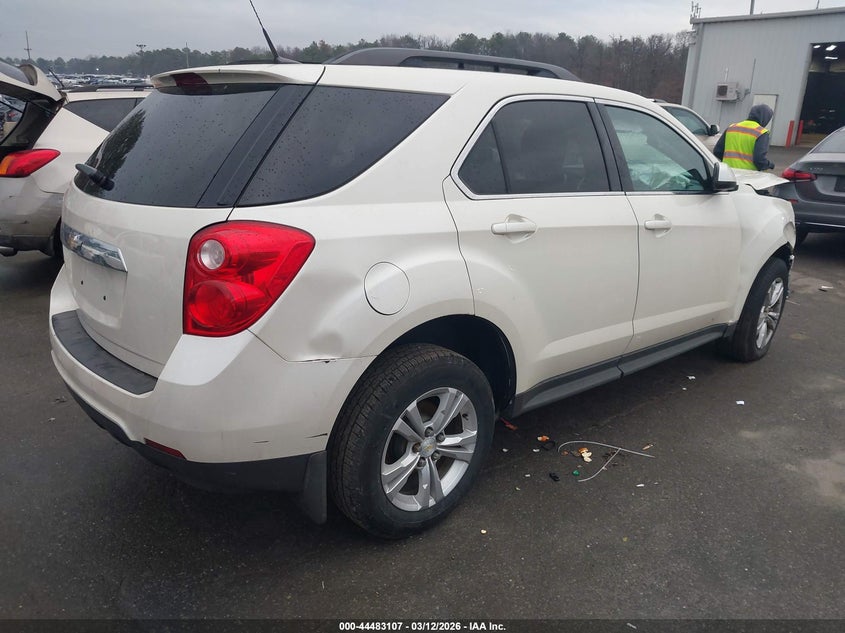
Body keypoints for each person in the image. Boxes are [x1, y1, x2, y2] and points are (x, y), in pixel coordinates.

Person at [713, 104, 776, 170]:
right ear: (765, 118)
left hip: (728, 172)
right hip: (748, 174)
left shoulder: (731, 128)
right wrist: (769, 165)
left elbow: (717, 151)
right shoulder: (761, 132)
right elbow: (759, 160)